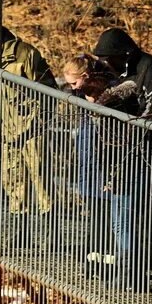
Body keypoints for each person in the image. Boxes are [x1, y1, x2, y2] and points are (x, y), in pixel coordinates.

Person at [90, 27, 152, 290]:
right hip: (115, 151)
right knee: (119, 212)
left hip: (141, 152)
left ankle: (134, 271)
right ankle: (125, 268)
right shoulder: (114, 70)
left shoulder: (151, 68)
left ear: (124, 53)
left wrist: (130, 130)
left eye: (109, 58)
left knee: (131, 212)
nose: (107, 64)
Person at [0, 18, 56, 229]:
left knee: (41, 178)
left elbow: (48, 90)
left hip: (32, 129)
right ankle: (21, 231)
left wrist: (39, 121)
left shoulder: (24, 53)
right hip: (5, 132)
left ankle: (51, 233)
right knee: (14, 181)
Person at [63, 54, 115, 260]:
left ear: (85, 76)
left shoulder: (109, 91)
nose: (73, 88)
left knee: (107, 211)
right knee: (94, 211)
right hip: (89, 161)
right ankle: (94, 254)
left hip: (104, 160)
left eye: (75, 82)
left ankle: (109, 254)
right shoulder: (79, 93)